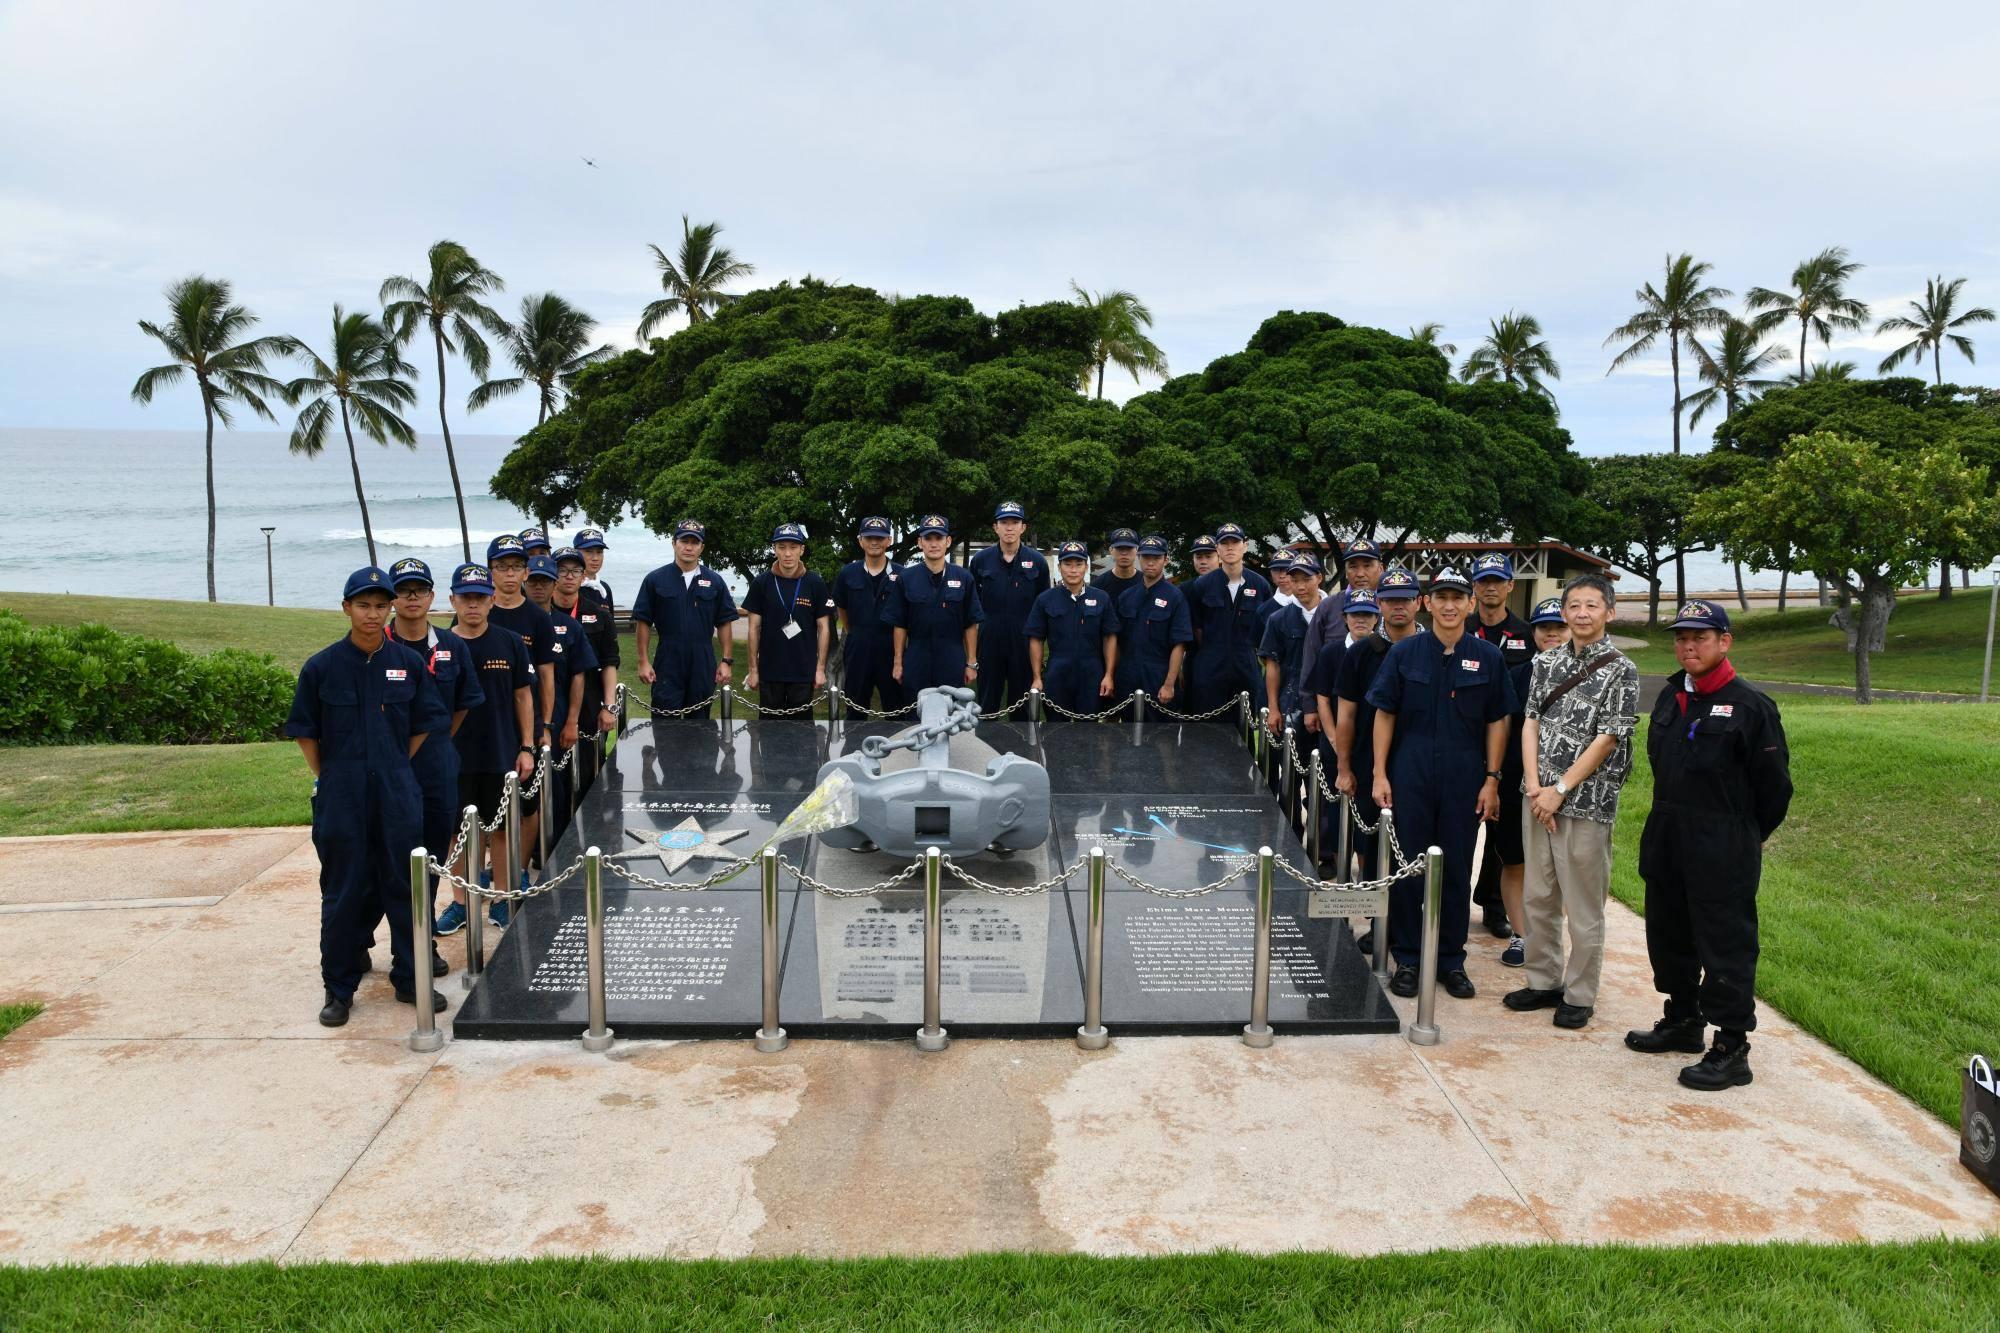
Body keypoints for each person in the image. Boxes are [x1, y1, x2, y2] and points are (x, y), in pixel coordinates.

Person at [1626, 599, 1792, 1092]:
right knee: (1668, 932)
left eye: (1700, 636)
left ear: (1725, 642)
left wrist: (1744, 834)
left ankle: (1731, 1047)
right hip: (1669, 832)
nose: (1689, 645)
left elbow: (1775, 788)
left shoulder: (1752, 706)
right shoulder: (1670, 696)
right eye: (1681, 637)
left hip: (1723, 840)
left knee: (1725, 944)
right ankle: (1683, 1020)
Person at [285, 566, 448, 1027]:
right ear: (346, 608)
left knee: (406, 887)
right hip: (342, 795)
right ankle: (338, 988)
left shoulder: (410, 664)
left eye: (381, 605)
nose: (373, 614)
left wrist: (393, 764)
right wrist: (336, 775)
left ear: (390, 608)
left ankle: (409, 977)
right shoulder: (320, 667)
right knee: (343, 892)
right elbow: (307, 734)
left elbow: (421, 726)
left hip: (398, 793)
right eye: (363, 605)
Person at [1499, 575, 1640, 1029]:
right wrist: (1537, 786)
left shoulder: (1622, 669)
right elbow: (1530, 722)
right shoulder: (1546, 663)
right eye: (1574, 605)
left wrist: (1560, 792)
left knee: (1582, 904)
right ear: (1564, 612)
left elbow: (1609, 737)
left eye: (1592, 606)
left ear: (1609, 613)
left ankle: (1579, 993)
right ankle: (1542, 980)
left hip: (1586, 803)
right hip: (1537, 797)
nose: (1581, 613)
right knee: (1539, 894)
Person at [1367, 568, 1514, 1000]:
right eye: (1441, 597)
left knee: (1454, 869)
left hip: (1465, 776)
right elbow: (1385, 714)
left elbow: (1497, 721)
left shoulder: (1488, 657)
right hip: (1410, 771)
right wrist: (1379, 772)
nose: (1450, 605)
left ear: (1471, 605)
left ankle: (1451, 959)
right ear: (1427, 604)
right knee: (1409, 868)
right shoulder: (1404, 654)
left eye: (1458, 597)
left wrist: (1492, 779)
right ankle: (1408, 958)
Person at [385, 557, 480, 979]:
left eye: (419, 590)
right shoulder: (377, 645)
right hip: (388, 767)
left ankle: (419, 945)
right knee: (390, 860)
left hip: (439, 765)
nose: (411, 597)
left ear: (431, 597)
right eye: (403, 590)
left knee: (433, 856)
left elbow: (461, 705)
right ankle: (395, 946)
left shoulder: (452, 646)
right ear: (392, 598)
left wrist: (437, 736)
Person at [437, 564, 536, 935]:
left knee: (502, 830)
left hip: (501, 751)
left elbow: (523, 696)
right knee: (460, 834)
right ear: (453, 601)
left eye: (480, 597)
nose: (473, 605)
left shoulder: (509, 641)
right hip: (454, 757)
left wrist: (527, 745)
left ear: (492, 600)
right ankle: (462, 903)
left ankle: (502, 899)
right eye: (466, 598)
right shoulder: (442, 645)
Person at [1498, 596, 1571, 965]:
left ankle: (1549, 938)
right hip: (1516, 781)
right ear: (1534, 632)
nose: (1552, 633)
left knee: (1560, 868)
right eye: (1545, 627)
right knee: (1516, 861)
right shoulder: (1517, 675)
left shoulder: (1585, 674)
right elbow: (1504, 728)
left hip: (1566, 789)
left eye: (1560, 626)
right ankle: (1522, 935)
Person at [1468, 553, 1537, 942]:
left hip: (1509, 750)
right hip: (1465, 743)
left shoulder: (1528, 634)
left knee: (1501, 831)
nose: (1490, 587)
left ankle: (1495, 905)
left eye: (1498, 580)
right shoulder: (1460, 627)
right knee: (1460, 829)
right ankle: (1446, 902)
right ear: (1473, 588)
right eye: (1483, 581)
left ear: (1511, 585)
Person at [630, 518, 739, 718]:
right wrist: (643, 661)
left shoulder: (715, 581)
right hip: (668, 657)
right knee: (664, 722)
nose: (689, 547)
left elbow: (724, 622)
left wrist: (726, 661)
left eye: (694, 542)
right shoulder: (655, 579)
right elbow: (643, 621)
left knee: (700, 724)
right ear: (674, 543)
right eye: (684, 541)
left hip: (702, 658)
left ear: (702, 547)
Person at [527, 552, 599, 847]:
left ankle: (555, 851)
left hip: (555, 722)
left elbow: (578, 676)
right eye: (533, 581)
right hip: (512, 723)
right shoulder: (507, 623)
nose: (539, 587)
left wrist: (571, 722)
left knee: (554, 792)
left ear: (554, 583)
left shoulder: (569, 627)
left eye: (545, 581)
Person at [887, 514, 984, 694]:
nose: (934, 544)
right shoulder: (906, 579)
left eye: (939, 538)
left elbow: (971, 623)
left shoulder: (964, 578)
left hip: (952, 655)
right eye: (928, 538)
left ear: (948, 541)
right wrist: (898, 662)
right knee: (915, 715)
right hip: (917, 656)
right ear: (919, 542)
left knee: (951, 715)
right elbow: (899, 624)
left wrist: (971, 662)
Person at [1184, 523, 1274, 713]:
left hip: (1246, 665)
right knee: (1207, 728)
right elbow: (1197, 628)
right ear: (1217, 548)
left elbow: (1265, 630)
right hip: (1210, 665)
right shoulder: (1202, 586)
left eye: (1235, 542)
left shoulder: (1260, 585)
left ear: (1245, 546)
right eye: (1225, 543)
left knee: (1245, 728)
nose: (1230, 547)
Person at [970, 501, 1049, 715]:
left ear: (1023, 527)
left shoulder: (1038, 561)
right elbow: (973, 605)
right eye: (1004, 522)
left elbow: (1043, 606)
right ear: (995, 527)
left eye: (1015, 522)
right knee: (987, 702)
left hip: (1023, 640)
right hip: (989, 639)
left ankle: (1023, 747)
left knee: (1022, 705)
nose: (1009, 527)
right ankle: (985, 748)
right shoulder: (980, 560)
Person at [743, 522, 831, 712]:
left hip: (803, 672)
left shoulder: (815, 583)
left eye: (793, 547)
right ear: (774, 549)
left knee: (802, 733)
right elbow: (753, 628)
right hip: (770, 671)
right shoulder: (762, 583)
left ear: (802, 549)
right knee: (769, 733)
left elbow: (824, 628)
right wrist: (753, 670)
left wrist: (820, 669)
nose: (788, 553)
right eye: (782, 547)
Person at [1026, 541, 1121, 715]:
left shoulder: (1101, 598)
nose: (1073, 569)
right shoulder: (1045, 599)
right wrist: (1037, 677)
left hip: (1092, 673)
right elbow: (1036, 638)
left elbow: (1110, 637)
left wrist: (1108, 674)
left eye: (1078, 564)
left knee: (1088, 731)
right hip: (1057, 672)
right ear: (1059, 566)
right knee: (1055, 731)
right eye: (1067, 564)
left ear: (1086, 567)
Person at [832, 516, 907, 714]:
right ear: (860, 540)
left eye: (880, 537)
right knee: (855, 710)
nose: (874, 542)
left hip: (891, 649)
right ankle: (854, 746)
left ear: (888, 541)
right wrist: (855, 632)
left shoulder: (902, 574)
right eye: (869, 537)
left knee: (896, 711)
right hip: (858, 648)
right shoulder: (848, 573)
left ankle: (898, 746)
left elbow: (906, 615)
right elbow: (842, 610)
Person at [1113, 534, 1193, 706]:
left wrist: (1169, 684)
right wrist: (1112, 675)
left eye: (1156, 558)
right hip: (1127, 676)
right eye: (1146, 557)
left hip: (1159, 677)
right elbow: (1116, 642)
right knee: (1128, 730)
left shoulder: (1175, 597)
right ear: (1139, 558)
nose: (1150, 562)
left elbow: (1179, 644)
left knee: (1160, 732)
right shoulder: (1126, 597)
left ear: (1166, 560)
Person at [1259, 552, 1326, 736]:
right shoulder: (1278, 619)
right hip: (1290, 702)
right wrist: (1273, 708)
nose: (1300, 586)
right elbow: (1272, 665)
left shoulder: (1336, 615)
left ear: (1319, 577)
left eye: (1306, 579)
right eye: (1295, 580)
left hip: (1329, 701)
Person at [567, 529, 621, 736]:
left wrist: (609, 703)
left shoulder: (603, 589)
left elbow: (610, 639)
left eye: (599, 552)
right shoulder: (569, 588)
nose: (595, 557)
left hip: (598, 675)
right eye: (588, 551)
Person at [1092, 528, 1143, 605]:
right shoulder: (1097, 586)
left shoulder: (1146, 584)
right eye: (1119, 548)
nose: (1124, 553)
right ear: (1111, 550)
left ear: (1137, 550)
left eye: (1129, 548)